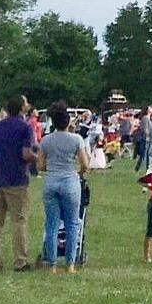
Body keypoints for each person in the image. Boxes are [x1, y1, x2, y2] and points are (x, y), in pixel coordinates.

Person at [0, 94, 37, 271]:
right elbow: (25, 154)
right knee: (19, 220)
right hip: (16, 179)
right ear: (22, 108)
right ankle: (20, 260)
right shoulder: (24, 127)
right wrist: (38, 159)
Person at [36, 103, 89, 271]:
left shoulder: (46, 140)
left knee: (51, 224)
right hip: (70, 181)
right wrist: (80, 172)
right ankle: (70, 264)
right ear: (67, 123)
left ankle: (51, 264)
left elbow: (40, 165)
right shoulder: (76, 139)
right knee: (72, 223)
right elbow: (85, 164)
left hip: (51, 181)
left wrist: (50, 168)